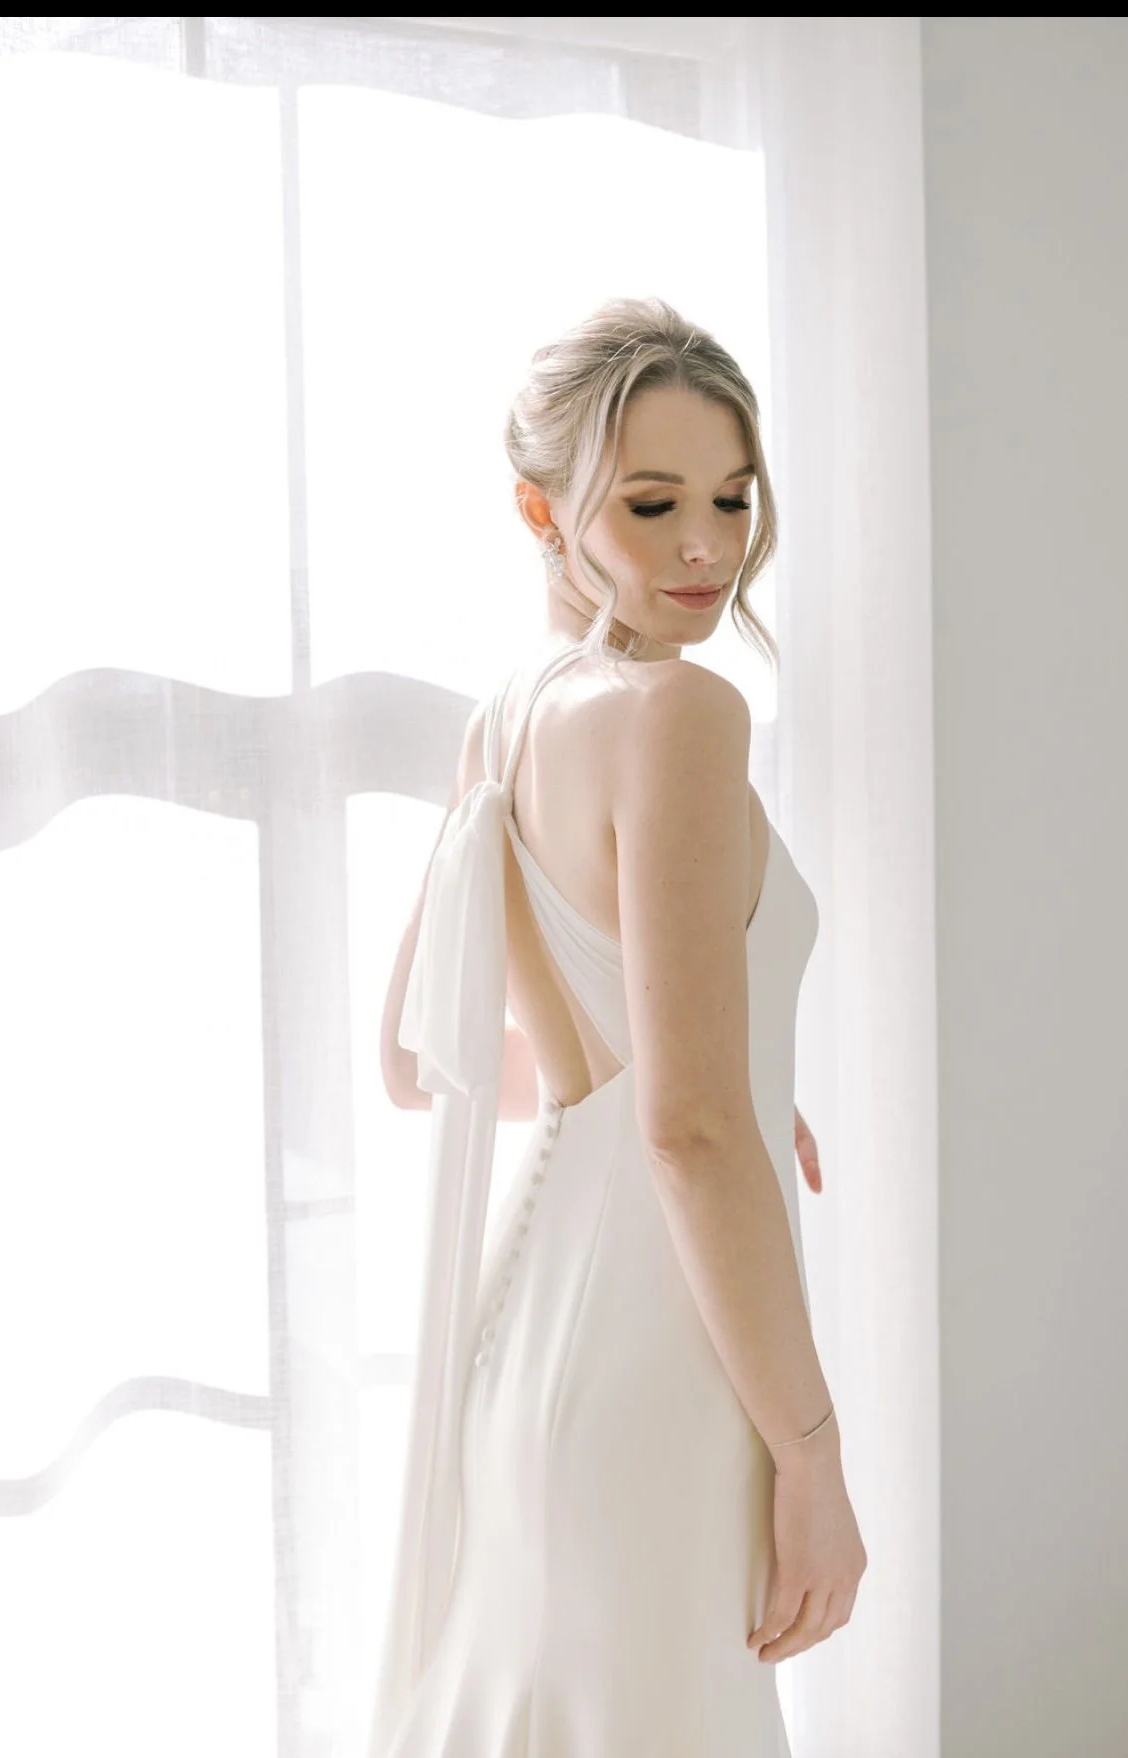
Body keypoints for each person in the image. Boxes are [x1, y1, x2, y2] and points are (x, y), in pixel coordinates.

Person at [369, 297, 867, 1757]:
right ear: (540, 509)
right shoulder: (681, 717)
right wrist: (812, 1457)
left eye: (731, 495)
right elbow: (686, 1130)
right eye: (650, 503)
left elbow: (416, 1060)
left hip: (527, 1355)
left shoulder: (502, 721)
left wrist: (705, 1057)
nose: (706, 543)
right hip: (659, 1369)